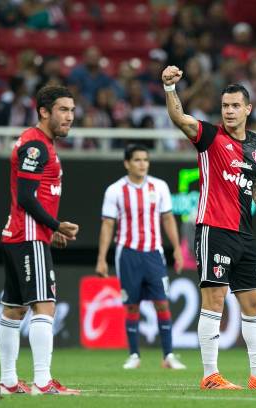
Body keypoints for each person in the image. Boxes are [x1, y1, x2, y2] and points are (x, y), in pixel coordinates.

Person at [162, 67, 256, 390]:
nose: (230, 111)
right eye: (225, 106)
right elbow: (180, 117)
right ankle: (210, 375)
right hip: (213, 229)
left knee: (255, 303)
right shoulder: (209, 136)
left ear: (248, 109)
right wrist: (169, 88)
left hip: (244, 234)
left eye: (236, 106)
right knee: (215, 300)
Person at [0, 85, 80, 395]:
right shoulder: (36, 146)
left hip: (20, 234)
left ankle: (7, 382)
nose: (69, 117)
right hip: (29, 235)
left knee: (13, 310)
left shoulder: (41, 142)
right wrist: (56, 225)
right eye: (63, 110)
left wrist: (52, 229)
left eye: (72, 110)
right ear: (44, 111)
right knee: (44, 307)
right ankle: (43, 383)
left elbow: (36, 196)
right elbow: (26, 197)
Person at [95, 144, 187, 370]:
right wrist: (101, 258)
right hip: (127, 254)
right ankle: (134, 355)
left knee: (162, 304)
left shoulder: (160, 187)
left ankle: (168, 356)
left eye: (145, 159)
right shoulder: (115, 190)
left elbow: (167, 219)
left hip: (154, 254)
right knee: (131, 306)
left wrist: (176, 248)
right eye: (137, 160)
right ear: (127, 163)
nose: (142, 164)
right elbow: (108, 225)